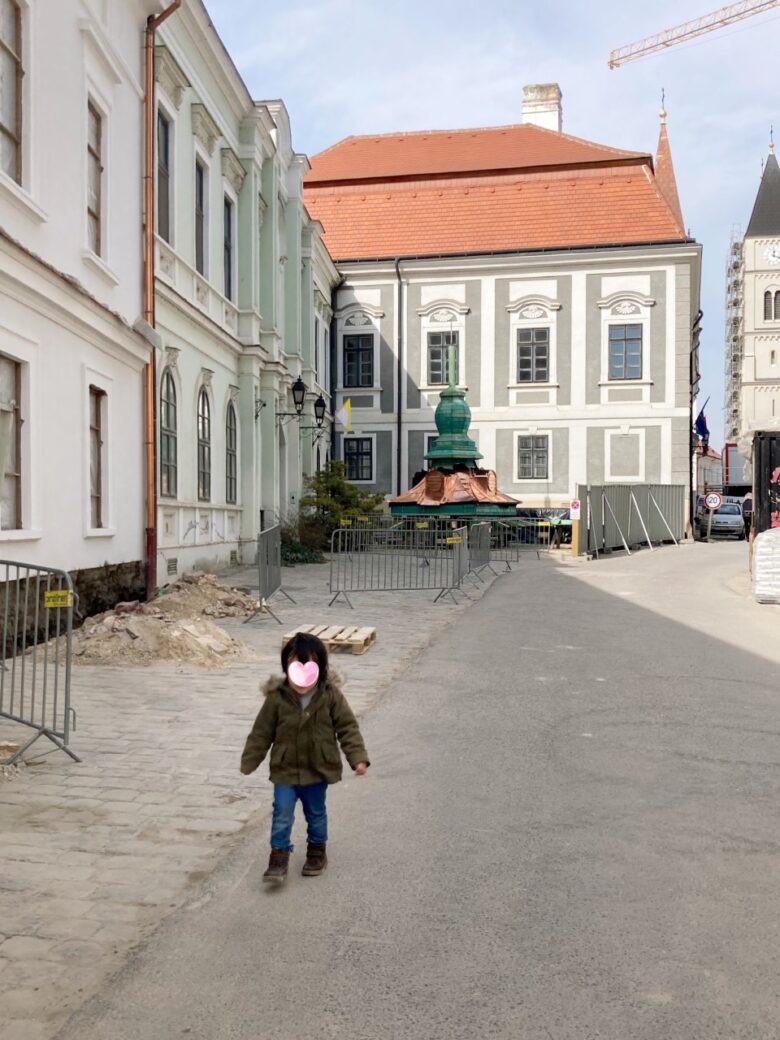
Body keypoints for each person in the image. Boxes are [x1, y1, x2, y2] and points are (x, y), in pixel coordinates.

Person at [240, 632, 369, 883]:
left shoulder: (330, 696)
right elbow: (261, 732)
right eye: (293, 666)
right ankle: (278, 855)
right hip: (285, 769)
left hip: (317, 768)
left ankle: (317, 851)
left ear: (320, 667)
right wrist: (250, 760)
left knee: (316, 812)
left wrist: (358, 758)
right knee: (282, 812)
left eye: (308, 665)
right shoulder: (277, 698)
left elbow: (348, 728)